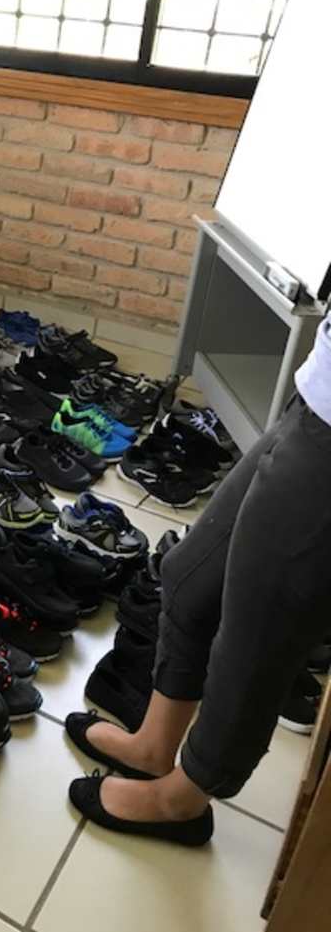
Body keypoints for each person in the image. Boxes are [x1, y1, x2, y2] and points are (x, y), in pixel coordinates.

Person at [66, 316, 331, 846]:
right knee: (189, 577)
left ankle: (184, 799)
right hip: (316, 395)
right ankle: (153, 746)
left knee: (257, 636)